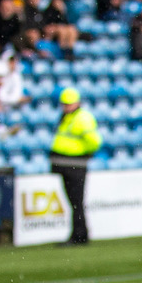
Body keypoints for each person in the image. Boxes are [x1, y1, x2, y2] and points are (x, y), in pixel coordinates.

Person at [49, 88, 101, 245]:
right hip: (66, 164)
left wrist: (83, 154)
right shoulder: (66, 117)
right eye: (64, 104)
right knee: (74, 202)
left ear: (76, 103)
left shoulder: (82, 118)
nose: (65, 107)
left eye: (68, 104)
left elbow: (94, 141)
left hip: (75, 165)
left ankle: (79, 236)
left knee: (76, 201)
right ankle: (80, 234)